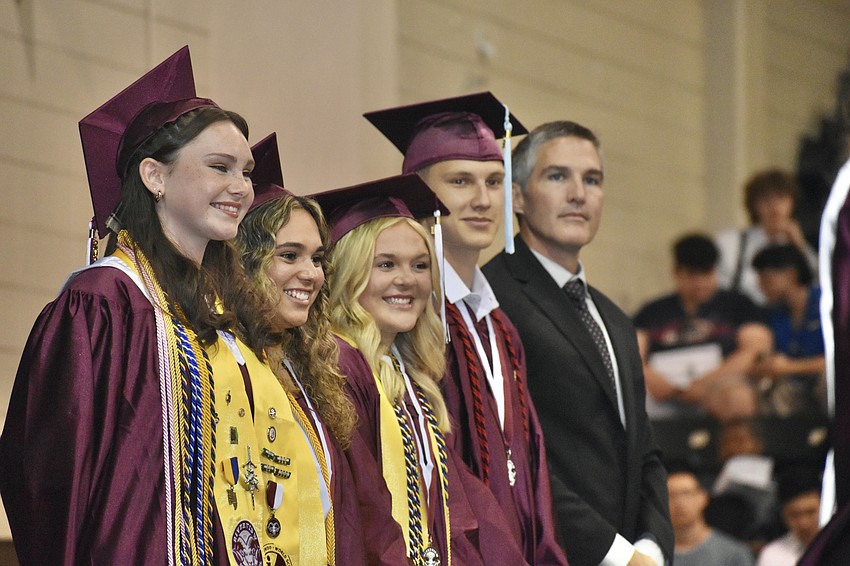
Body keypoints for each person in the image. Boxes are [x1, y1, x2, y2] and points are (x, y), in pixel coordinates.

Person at [0, 46, 285, 565]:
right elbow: (48, 481)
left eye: (245, 171)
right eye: (219, 167)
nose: (241, 188)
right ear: (154, 176)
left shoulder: (216, 319)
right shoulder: (101, 304)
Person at [365, 92, 568, 565]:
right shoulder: (409, 317)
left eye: (495, 181)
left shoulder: (499, 324)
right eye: (461, 181)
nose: (482, 200)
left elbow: (529, 464)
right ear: (419, 190)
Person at [483, 121, 673, 566]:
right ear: (517, 196)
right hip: (550, 552)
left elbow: (643, 450)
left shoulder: (616, 319)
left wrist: (651, 545)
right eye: (557, 176)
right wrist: (615, 554)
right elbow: (515, 454)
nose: (578, 193)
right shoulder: (492, 298)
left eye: (592, 179)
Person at [316, 174, 529, 565]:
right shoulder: (341, 368)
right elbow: (363, 512)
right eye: (385, 264)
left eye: (419, 265)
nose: (407, 279)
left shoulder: (409, 376)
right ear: (347, 274)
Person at [234, 133, 365, 564]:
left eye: (317, 258)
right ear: (243, 262)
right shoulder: (224, 367)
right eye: (289, 255)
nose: (310, 274)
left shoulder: (310, 373)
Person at [633, 234, 772, 420]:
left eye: (705, 274)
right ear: (676, 272)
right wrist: (652, 379)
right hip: (660, 389)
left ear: (715, 271)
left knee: (738, 398)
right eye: (691, 275)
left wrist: (705, 383)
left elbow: (755, 350)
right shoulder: (653, 311)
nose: (699, 283)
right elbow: (630, 352)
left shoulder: (739, 305)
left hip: (718, 386)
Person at [716, 168, 817, 305]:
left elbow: (820, 287)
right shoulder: (730, 243)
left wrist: (799, 245)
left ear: (792, 203)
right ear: (753, 205)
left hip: (782, 321)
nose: (774, 207)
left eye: (781, 198)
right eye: (766, 199)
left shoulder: (802, 247)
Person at [751, 244, 826, 416]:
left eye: (767, 278)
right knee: (766, 389)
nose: (761, 285)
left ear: (791, 274)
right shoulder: (773, 313)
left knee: (832, 381)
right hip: (793, 384)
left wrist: (791, 367)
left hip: (822, 378)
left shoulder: (830, 304)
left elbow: (839, 360)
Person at [668, 465, 755, 566]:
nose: (679, 503)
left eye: (686, 494)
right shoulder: (650, 554)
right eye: (671, 495)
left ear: (703, 497)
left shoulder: (734, 554)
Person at [757, 467, 821, 565]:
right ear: (783, 516)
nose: (804, 523)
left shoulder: (842, 547)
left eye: (811, 512)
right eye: (794, 515)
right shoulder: (773, 555)